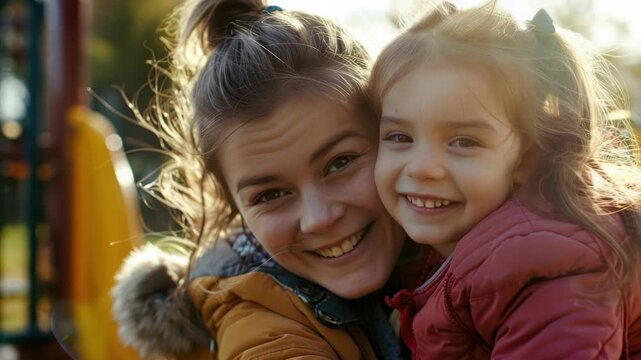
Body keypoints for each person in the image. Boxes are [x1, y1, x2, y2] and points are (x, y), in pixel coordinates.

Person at [111, 0, 418, 359]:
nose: (319, 217)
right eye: (271, 194)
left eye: (340, 163)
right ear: (235, 209)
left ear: (394, 137)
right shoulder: (252, 317)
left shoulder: (475, 232)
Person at [370, 2, 641, 358]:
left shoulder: (547, 265)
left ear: (526, 157)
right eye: (399, 137)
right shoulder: (433, 252)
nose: (421, 168)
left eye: (463, 142)